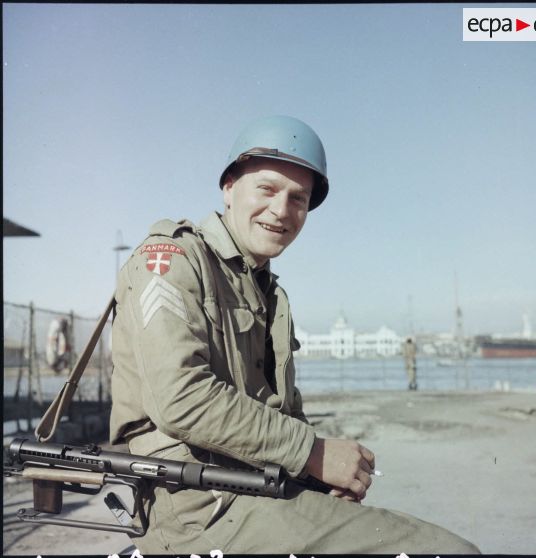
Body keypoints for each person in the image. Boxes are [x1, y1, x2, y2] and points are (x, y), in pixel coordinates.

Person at [109, 115, 479, 554]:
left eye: (298, 199)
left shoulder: (268, 291)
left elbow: (280, 412)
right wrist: (315, 453)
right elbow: (180, 399)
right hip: (196, 508)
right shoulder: (169, 259)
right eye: (266, 189)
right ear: (229, 188)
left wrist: (316, 476)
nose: (282, 211)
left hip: (256, 487)